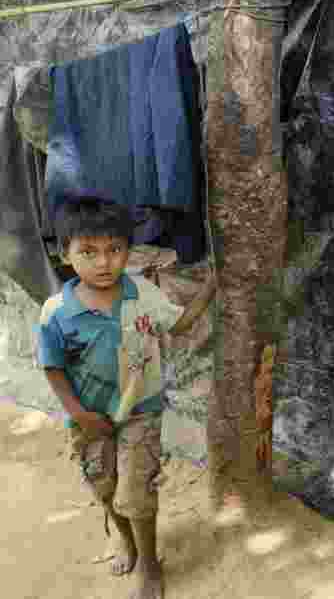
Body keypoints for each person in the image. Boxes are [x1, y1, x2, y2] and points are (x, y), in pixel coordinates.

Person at [35, 198, 216, 599]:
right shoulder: (56, 313)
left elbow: (181, 323)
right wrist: (80, 415)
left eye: (114, 250)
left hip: (140, 411)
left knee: (135, 492)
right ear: (64, 254)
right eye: (88, 252)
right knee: (104, 487)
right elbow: (53, 368)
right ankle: (126, 541)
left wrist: (211, 284)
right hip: (89, 418)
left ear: (128, 251)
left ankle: (150, 566)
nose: (104, 263)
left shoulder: (142, 294)